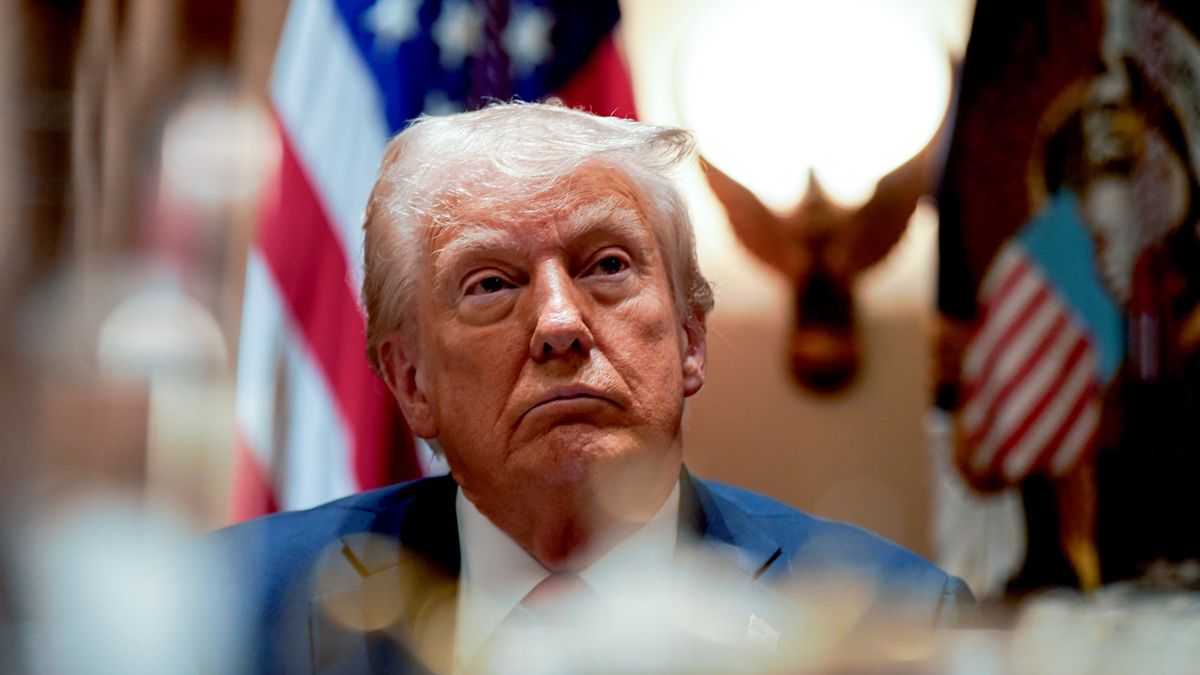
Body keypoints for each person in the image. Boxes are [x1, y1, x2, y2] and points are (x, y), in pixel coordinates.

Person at [207, 103, 971, 674]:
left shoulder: (897, 620)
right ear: (412, 383)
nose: (559, 323)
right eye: (490, 283)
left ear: (690, 339)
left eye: (607, 265)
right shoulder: (230, 605)